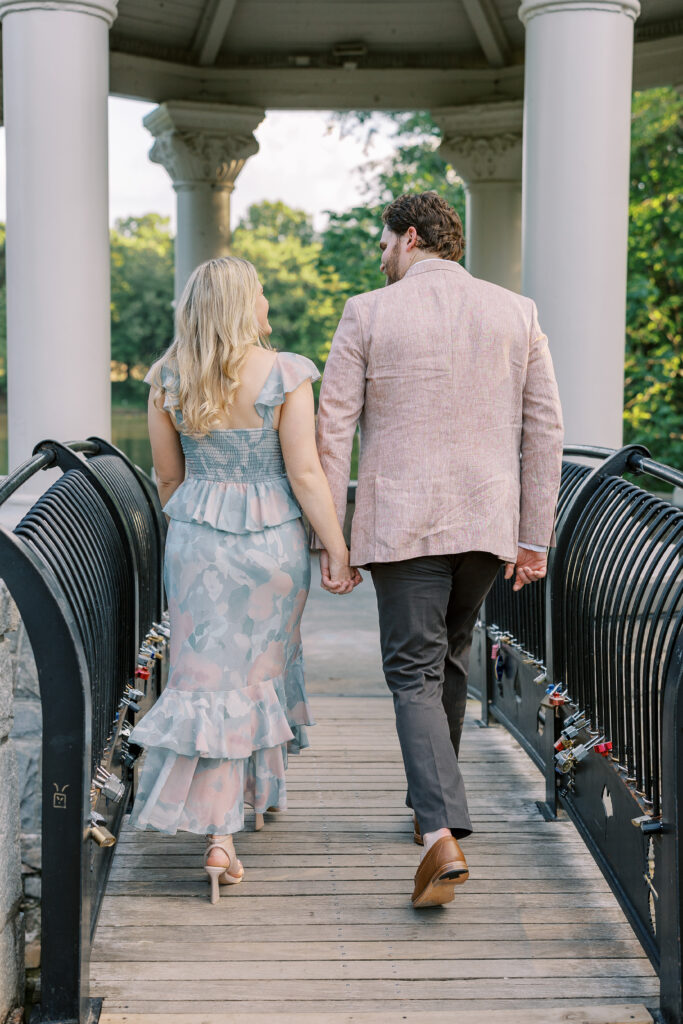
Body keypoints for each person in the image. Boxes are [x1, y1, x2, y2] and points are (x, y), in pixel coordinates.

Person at [314, 191, 563, 907]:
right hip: (488, 525)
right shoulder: (515, 311)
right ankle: (443, 806)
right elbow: (543, 430)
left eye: (383, 241)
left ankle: (435, 833)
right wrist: (531, 536)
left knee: (412, 670)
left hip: (403, 525)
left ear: (411, 237)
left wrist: (333, 539)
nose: (379, 254)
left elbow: (334, 432)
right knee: (450, 654)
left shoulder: (367, 311)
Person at [127, 255, 359, 904]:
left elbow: (167, 478)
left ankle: (236, 813)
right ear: (239, 305)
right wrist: (335, 547)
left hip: (198, 543)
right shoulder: (284, 373)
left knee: (205, 680)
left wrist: (193, 524)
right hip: (272, 547)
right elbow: (306, 473)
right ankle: (223, 833)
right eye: (258, 294)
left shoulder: (167, 378)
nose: (265, 305)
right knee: (254, 676)